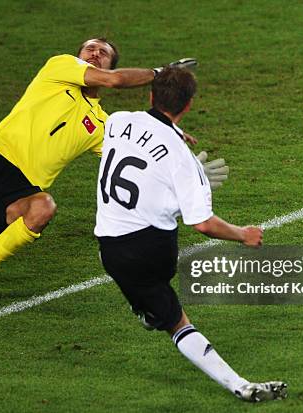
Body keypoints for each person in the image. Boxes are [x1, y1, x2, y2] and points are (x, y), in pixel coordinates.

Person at [0, 38, 221, 297]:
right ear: (79, 57)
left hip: (20, 191)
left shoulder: (102, 124)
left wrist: (180, 163)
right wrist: (161, 72)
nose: (95, 53)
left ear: (112, 61)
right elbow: (112, 82)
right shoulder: (59, 68)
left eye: (104, 53)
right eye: (90, 49)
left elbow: (132, 158)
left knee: (44, 206)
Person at [94, 67, 287, 403]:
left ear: (151, 95)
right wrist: (243, 235)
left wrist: (171, 144)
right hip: (151, 252)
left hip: (108, 245)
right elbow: (202, 223)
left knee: (131, 278)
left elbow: (141, 146)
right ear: (189, 105)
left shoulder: (117, 121)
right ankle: (239, 385)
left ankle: (145, 307)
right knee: (176, 321)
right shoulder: (184, 160)